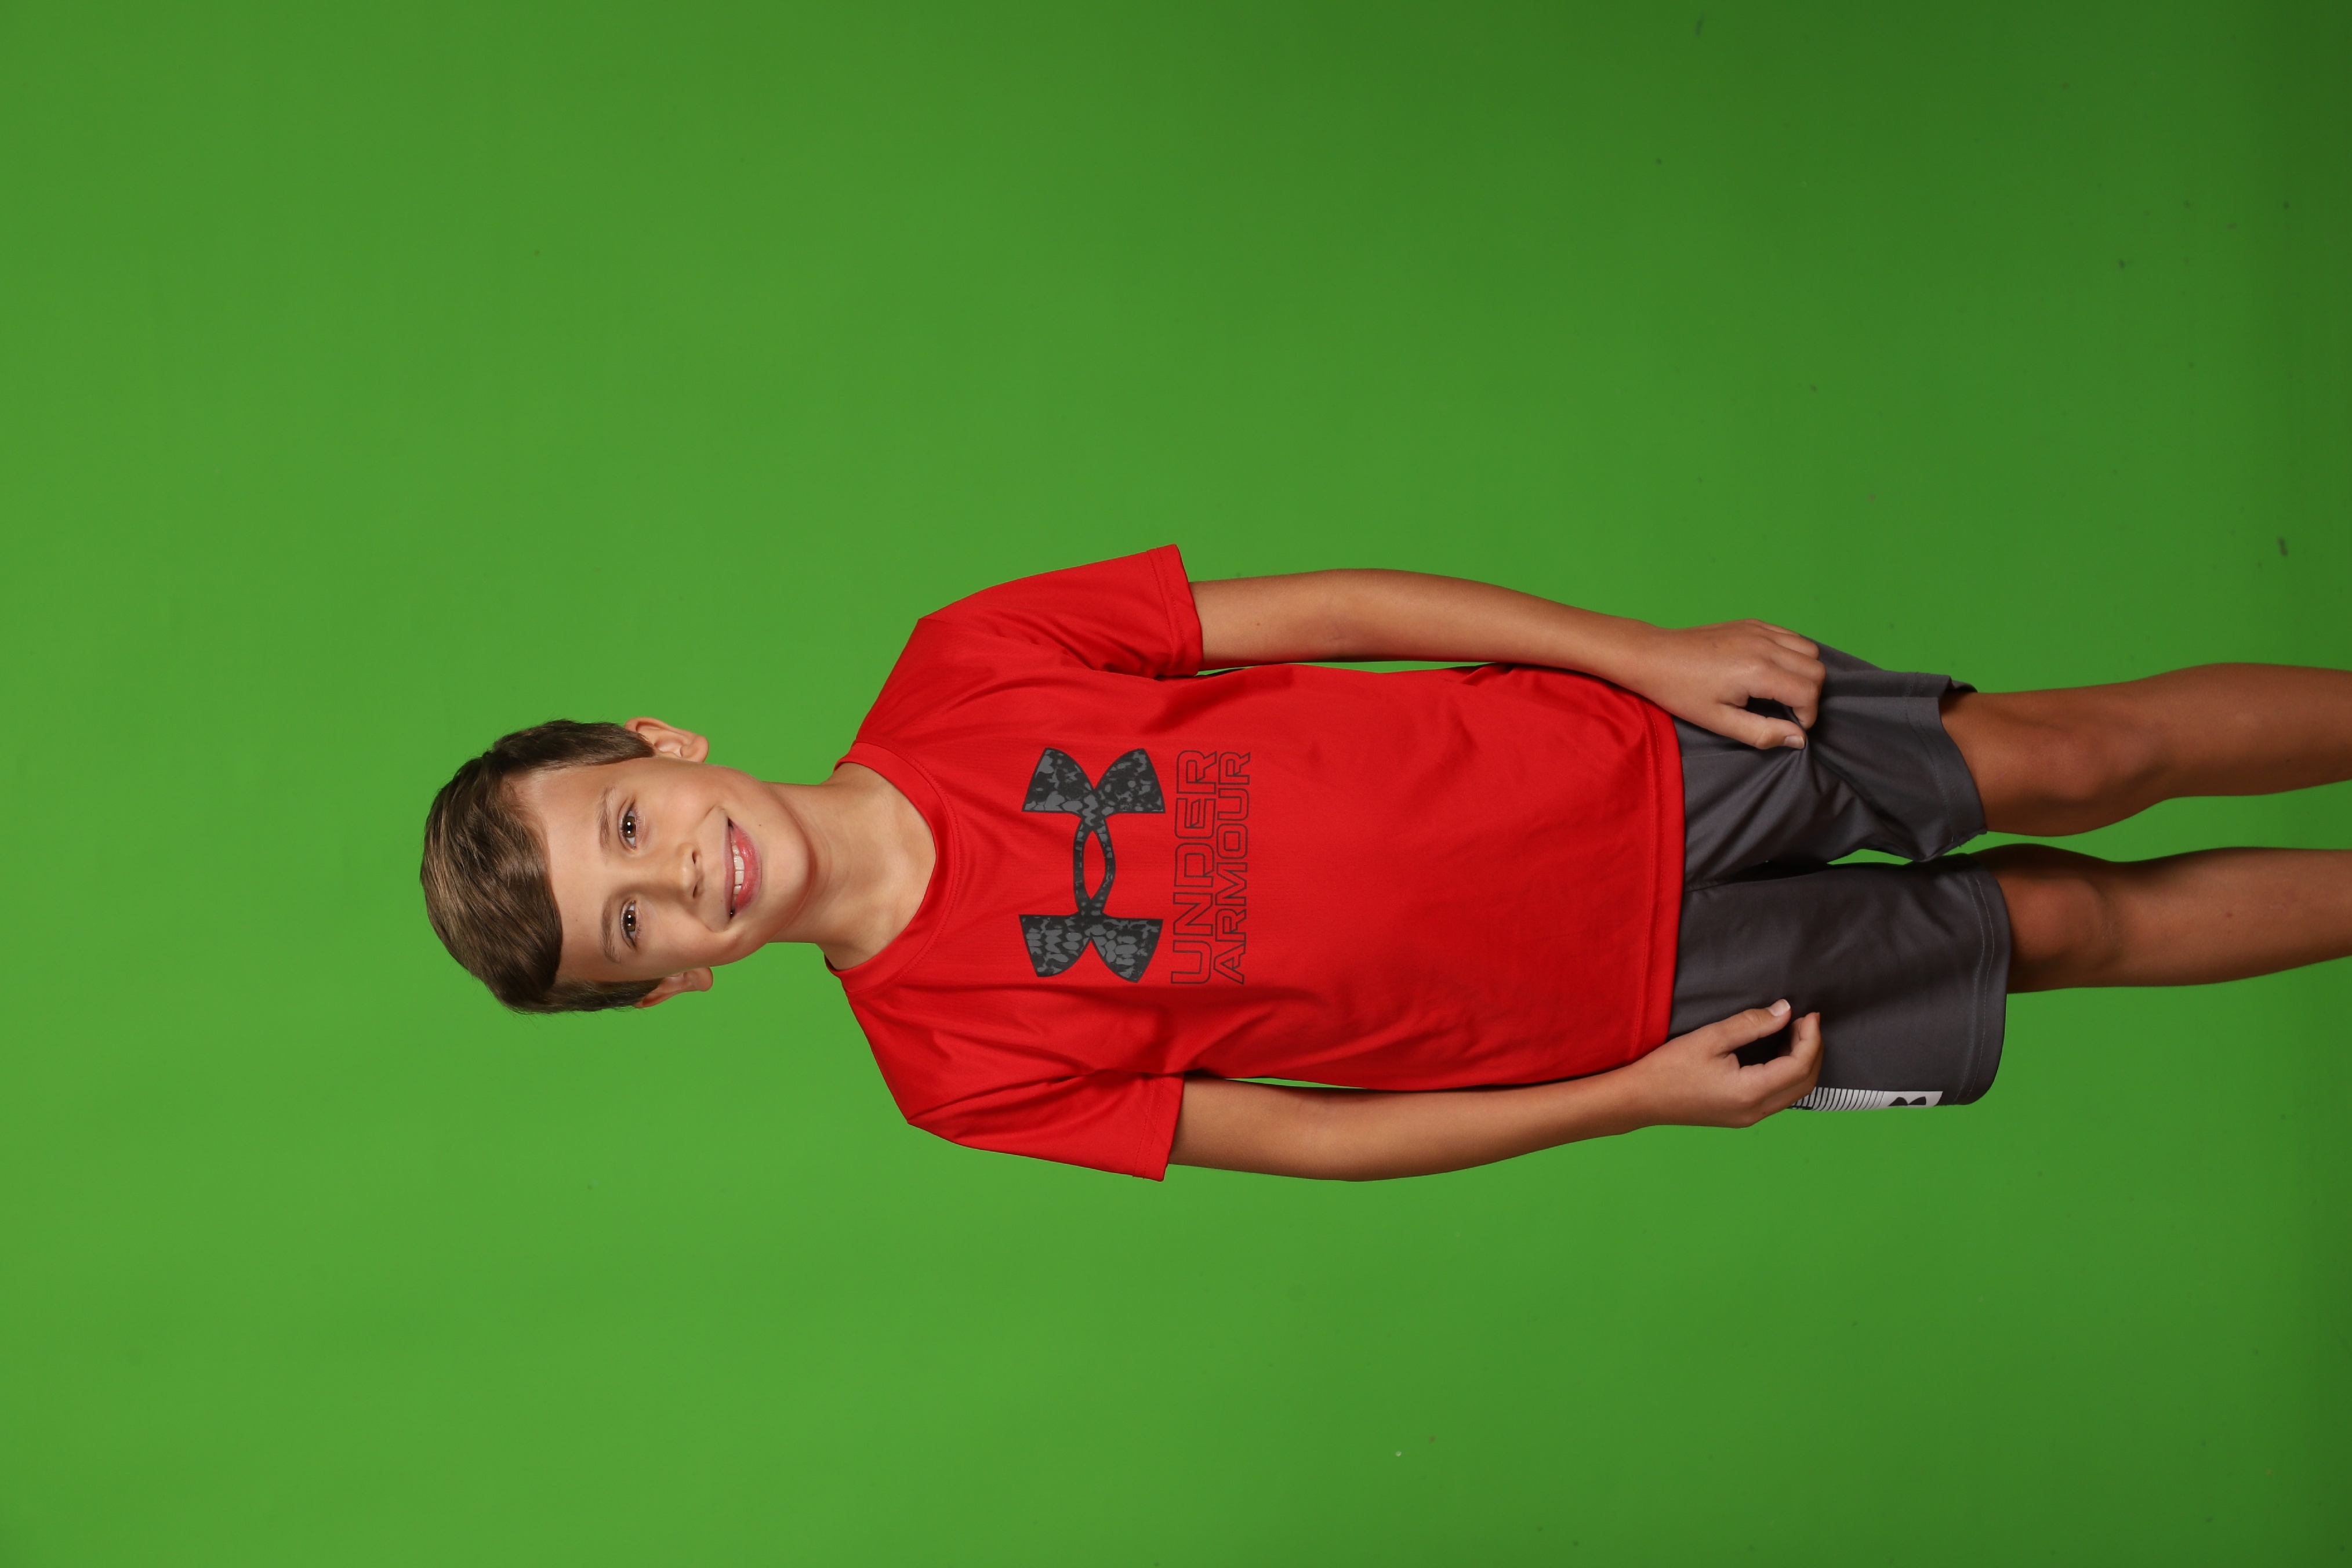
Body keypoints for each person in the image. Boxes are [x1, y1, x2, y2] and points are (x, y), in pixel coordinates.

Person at [419, 548, 2352, 1180]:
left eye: (628, 826)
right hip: (1623, 1004)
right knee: (2061, 923)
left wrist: (1639, 655)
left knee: (2077, 755)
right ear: (672, 983)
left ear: (660, 744)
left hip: (1628, 761)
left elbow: (1332, 612)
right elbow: (1310, 1137)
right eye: (632, 924)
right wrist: (1631, 1099)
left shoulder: (968, 660)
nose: (680, 875)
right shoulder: (953, 1070)